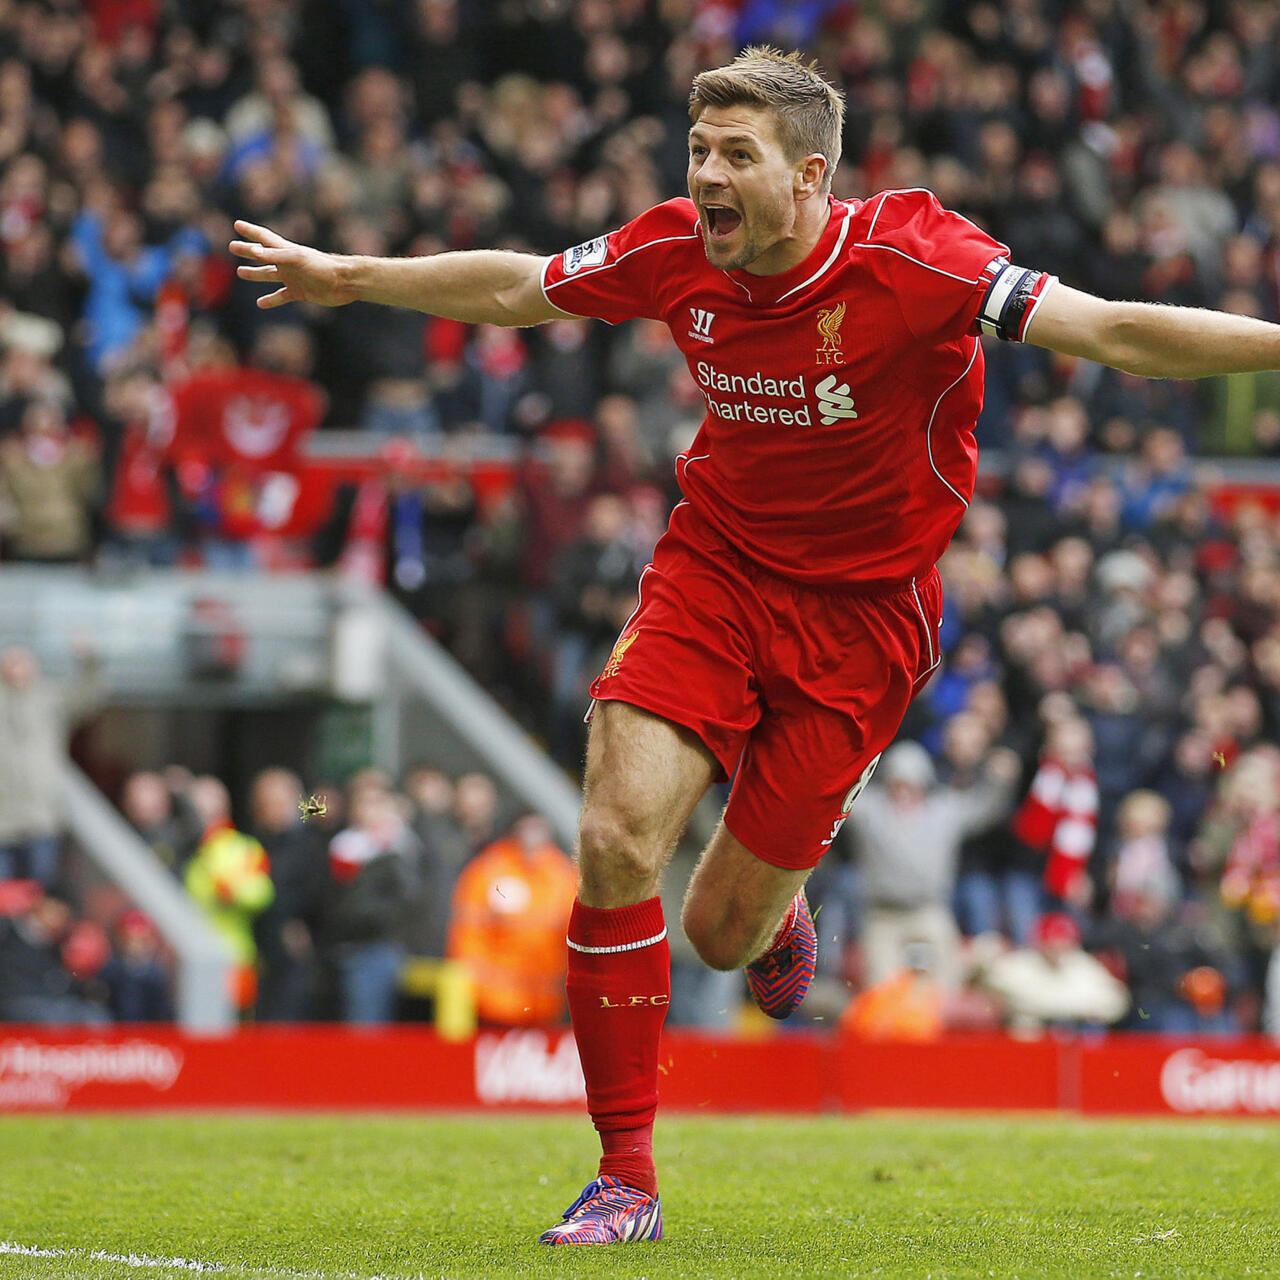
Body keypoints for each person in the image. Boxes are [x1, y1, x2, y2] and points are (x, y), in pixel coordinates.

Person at [231, 45, 1280, 1246]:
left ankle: (774, 908)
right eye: (698, 151)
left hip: (863, 623)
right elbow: (521, 287)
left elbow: (1118, 330)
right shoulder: (674, 246)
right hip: (715, 574)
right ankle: (625, 1176)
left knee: (718, 936)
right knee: (613, 835)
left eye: (736, 155)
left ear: (809, 175)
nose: (707, 177)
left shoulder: (914, 257)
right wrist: (349, 274)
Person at [446, 813, 577, 1027]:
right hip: (493, 1001)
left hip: (545, 1001)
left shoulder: (562, 874)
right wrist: (475, 984)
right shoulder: (489, 870)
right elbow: (468, 933)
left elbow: (573, 932)